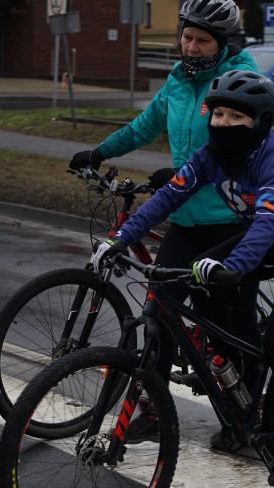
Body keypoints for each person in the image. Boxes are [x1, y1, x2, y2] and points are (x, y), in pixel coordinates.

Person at [91, 69, 274, 488]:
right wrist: (120, 238)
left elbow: (266, 220)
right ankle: (231, 374)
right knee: (190, 277)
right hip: (269, 239)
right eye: (219, 114)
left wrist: (238, 265)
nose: (224, 123)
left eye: (237, 118)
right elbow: (170, 195)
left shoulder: (273, 157)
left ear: (261, 123)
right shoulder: (212, 154)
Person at [69, 0, 258, 393]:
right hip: (186, 220)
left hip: (229, 222)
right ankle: (154, 409)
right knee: (159, 312)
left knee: (230, 330)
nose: (190, 48)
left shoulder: (240, 80)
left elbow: (246, 152)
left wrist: (188, 174)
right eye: (186, 37)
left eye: (201, 41)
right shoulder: (177, 78)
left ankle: (250, 413)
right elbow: (145, 126)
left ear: (222, 43)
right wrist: (99, 152)